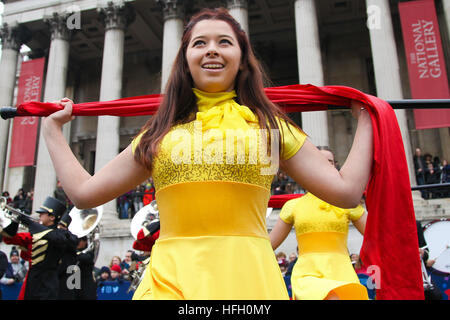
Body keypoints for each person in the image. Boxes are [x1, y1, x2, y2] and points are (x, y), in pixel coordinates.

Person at [40, 8, 372, 299]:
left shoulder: (270, 127)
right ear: (185, 60)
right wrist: (52, 132)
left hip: (247, 281)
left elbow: (345, 192)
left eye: (224, 42)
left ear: (242, 60)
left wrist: (367, 118)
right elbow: (84, 194)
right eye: (200, 43)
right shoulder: (158, 133)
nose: (212, 50)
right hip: (169, 282)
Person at [269, 146, 369, 300]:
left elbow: (375, 236)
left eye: (329, 162)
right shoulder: (292, 206)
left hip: (342, 273)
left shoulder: (348, 204)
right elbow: (268, 245)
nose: (325, 166)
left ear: (335, 166)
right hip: (307, 275)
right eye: (320, 161)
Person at [1, 196, 79, 300]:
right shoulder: (34, 235)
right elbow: (9, 238)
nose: (39, 215)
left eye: (43, 213)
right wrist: (16, 221)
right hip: (31, 282)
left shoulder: (61, 235)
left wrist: (31, 224)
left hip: (48, 283)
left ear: (52, 217)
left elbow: (58, 237)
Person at [56, 211, 78, 300]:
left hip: (68, 273)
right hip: (57, 272)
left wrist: (63, 230)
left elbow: (73, 241)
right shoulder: (55, 234)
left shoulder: (72, 237)